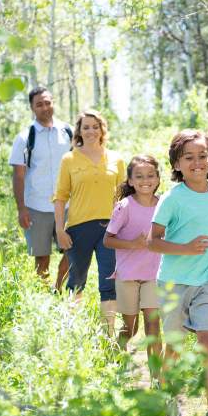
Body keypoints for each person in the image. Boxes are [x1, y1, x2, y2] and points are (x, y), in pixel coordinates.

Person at [147, 129, 208, 416]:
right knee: (175, 347)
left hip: (207, 282)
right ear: (177, 164)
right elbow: (152, 242)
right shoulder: (173, 199)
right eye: (189, 158)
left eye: (203, 156)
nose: (197, 163)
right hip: (174, 283)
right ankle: (167, 398)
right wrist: (184, 248)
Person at [53, 109, 125, 335]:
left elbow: (125, 198)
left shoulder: (116, 159)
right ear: (79, 132)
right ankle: (72, 331)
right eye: (86, 127)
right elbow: (61, 197)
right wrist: (59, 230)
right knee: (76, 280)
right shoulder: (69, 159)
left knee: (109, 282)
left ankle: (109, 334)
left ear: (102, 129)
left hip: (110, 230)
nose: (91, 131)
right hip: (78, 228)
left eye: (95, 126)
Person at [103, 155, 163, 378]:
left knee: (153, 331)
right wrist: (133, 244)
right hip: (127, 276)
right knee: (130, 329)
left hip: (154, 276)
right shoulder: (124, 206)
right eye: (139, 176)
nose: (145, 180)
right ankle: (116, 361)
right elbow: (107, 240)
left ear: (158, 178)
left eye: (150, 175)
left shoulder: (163, 205)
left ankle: (157, 382)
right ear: (130, 181)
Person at [9, 86, 71, 290]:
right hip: (37, 206)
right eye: (39, 104)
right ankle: (43, 296)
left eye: (47, 102)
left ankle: (58, 289)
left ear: (53, 103)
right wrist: (21, 208)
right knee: (42, 257)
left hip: (68, 206)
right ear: (32, 108)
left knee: (72, 253)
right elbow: (18, 175)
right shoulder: (25, 137)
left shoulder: (68, 132)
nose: (45, 107)